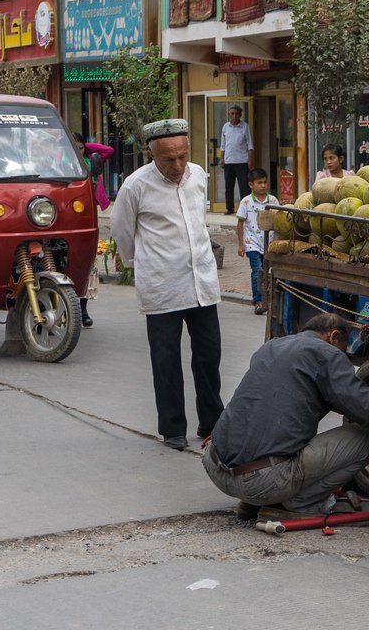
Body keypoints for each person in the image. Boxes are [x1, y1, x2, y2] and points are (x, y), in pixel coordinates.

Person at [201, 312, 369, 521]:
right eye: (343, 349)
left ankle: (258, 497)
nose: (342, 355)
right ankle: (299, 503)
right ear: (333, 336)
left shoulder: (272, 346)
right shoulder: (327, 354)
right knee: (363, 440)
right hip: (260, 481)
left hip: (216, 467)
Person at [110, 119, 225, 450]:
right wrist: (142, 262)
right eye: (167, 159)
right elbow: (121, 230)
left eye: (182, 156)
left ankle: (212, 422)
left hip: (201, 281)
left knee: (208, 356)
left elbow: (197, 220)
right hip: (162, 286)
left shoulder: (199, 175)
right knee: (166, 360)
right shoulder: (136, 186)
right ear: (150, 154)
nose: (176, 165)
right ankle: (173, 428)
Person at [75, 134, 114, 328]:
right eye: (72, 147)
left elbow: (108, 150)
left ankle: (82, 309)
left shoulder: (91, 161)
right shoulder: (59, 159)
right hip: (68, 213)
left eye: (80, 148)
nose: (77, 151)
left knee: (89, 262)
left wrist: (86, 148)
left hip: (88, 214)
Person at [235, 167, 279, 315]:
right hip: (251, 242)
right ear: (251, 185)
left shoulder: (273, 200)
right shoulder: (246, 202)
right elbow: (240, 223)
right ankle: (259, 300)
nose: (263, 185)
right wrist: (241, 245)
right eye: (259, 183)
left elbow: (279, 221)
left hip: (269, 243)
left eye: (265, 182)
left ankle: (269, 298)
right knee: (257, 270)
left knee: (268, 271)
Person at [221, 105, 253, 215]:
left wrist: (250, 160)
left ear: (240, 115)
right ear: (229, 115)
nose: (234, 116)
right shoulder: (225, 127)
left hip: (242, 161)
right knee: (228, 187)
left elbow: (250, 145)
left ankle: (246, 209)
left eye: (236, 114)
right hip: (229, 161)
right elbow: (223, 145)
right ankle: (229, 208)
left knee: (244, 187)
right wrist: (221, 158)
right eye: (232, 114)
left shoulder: (244, 127)